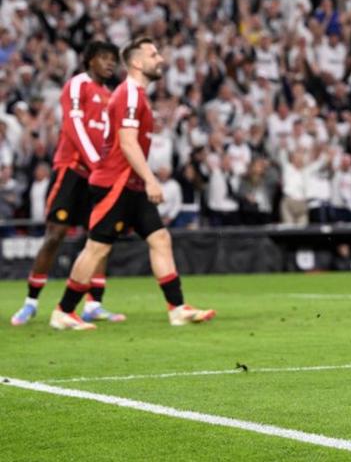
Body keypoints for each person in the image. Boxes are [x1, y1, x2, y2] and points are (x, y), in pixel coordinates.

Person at [49, 38, 215, 331]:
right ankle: (63, 311)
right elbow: (127, 142)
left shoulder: (135, 94)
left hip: (130, 183)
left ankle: (177, 308)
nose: (160, 58)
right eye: (154, 54)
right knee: (97, 249)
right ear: (137, 62)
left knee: (160, 239)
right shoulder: (130, 94)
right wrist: (151, 180)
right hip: (116, 182)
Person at [10, 41, 125, 326]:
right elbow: (73, 126)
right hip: (72, 170)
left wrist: (108, 168)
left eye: (113, 60)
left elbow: (111, 137)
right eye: (103, 58)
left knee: (98, 239)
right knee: (55, 234)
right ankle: (31, 302)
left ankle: (94, 304)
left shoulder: (110, 96)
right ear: (89, 60)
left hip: (96, 175)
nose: (110, 64)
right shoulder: (78, 85)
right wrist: (96, 161)